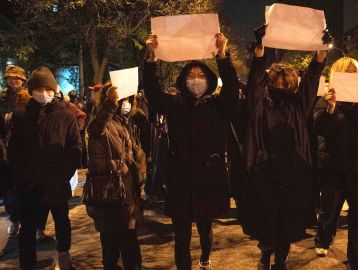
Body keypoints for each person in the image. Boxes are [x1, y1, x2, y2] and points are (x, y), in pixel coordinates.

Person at [143, 32, 239, 269]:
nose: (196, 79)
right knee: (182, 236)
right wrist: (152, 58)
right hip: (181, 179)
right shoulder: (174, 103)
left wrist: (222, 56)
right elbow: (153, 94)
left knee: (205, 228)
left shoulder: (218, 105)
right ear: (183, 80)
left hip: (208, 179)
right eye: (191, 75)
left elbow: (232, 90)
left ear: (209, 81)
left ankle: (205, 257)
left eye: (201, 75)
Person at [238, 25, 330, 270]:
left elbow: (312, 77)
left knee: (287, 220)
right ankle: (266, 252)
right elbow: (256, 77)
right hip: (263, 169)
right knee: (266, 218)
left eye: (285, 81)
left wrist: (321, 52)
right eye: (276, 81)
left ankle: (281, 257)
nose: (281, 85)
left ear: (292, 84)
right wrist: (260, 48)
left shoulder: (299, 105)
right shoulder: (259, 103)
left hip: (293, 172)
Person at [8, 66, 81, 270]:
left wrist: (63, 174)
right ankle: (27, 264)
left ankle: (64, 255)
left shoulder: (65, 115)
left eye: (48, 89)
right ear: (32, 90)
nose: (44, 93)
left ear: (54, 90)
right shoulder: (21, 116)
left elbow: (75, 148)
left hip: (56, 183)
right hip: (28, 186)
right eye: (39, 89)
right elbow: (14, 151)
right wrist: (22, 177)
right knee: (28, 229)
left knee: (62, 222)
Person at [313, 57, 358, 269]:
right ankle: (323, 238)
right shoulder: (327, 99)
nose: (352, 74)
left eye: (355, 71)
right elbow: (319, 127)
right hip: (334, 169)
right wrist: (331, 109)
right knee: (329, 211)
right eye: (347, 71)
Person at [86, 84, 143, 270]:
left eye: (128, 99)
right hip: (110, 196)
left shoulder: (123, 123)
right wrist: (110, 103)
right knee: (114, 250)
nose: (125, 103)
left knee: (128, 249)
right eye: (122, 99)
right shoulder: (104, 121)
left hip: (125, 196)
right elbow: (95, 129)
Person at [0, 65, 30, 237]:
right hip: (5, 148)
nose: (14, 81)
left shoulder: (28, 97)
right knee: (8, 188)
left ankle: (27, 220)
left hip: (25, 149)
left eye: (17, 78)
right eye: (10, 78)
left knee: (26, 186)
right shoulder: (1, 97)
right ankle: (14, 218)